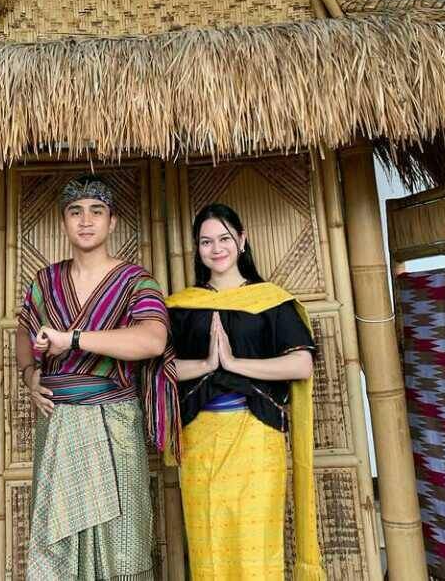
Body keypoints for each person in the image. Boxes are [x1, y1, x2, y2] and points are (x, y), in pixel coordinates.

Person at [16, 175, 180, 581]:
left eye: (96, 211)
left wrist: (73, 339)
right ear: (63, 222)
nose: (86, 221)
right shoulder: (45, 281)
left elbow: (153, 340)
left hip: (115, 423)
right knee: (57, 543)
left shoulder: (136, 281)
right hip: (59, 424)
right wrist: (30, 375)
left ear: (112, 222)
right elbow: (24, 333)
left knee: (122, 542)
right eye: (75, 212)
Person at [166, 203, 325, 581]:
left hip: (257, 439)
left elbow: (301, 365)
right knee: (208, 547)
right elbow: (160, 373)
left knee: (257, 547)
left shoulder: (271, 301)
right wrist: (208, 364)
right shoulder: (182, 307)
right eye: (206, 241)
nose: (216, 248)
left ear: (241, 240)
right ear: (197, 248)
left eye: (224, 238)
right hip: (200, 442)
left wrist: (235, 363)